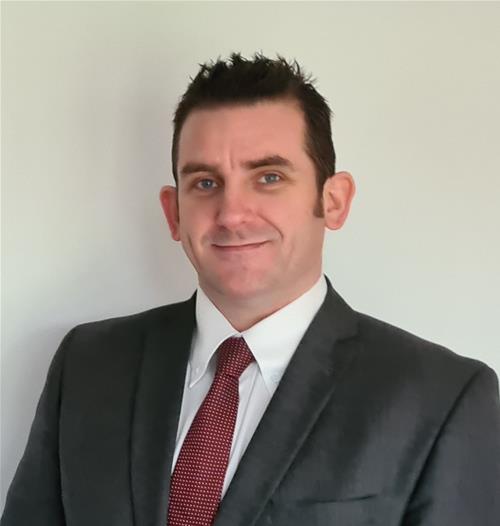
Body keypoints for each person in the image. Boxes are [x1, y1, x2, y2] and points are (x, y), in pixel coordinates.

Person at [2, 53, 499, 526]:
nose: (232, 214)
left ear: (333, 201)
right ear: (174, 213)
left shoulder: (442, 399)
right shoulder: (88, 365)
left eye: (269, 177)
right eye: (205, 183)